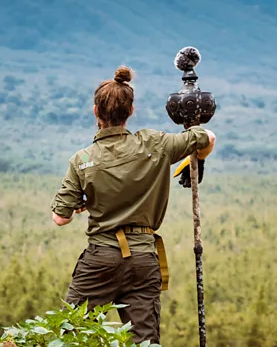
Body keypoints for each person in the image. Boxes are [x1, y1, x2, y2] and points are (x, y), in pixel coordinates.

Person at [51, 66, 216, 345]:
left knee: (71, 334)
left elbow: (60, 218)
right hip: (143, 259)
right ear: (131, 111)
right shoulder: (155, 143)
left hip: (101, 260)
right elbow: (207, 137)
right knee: (145, 341)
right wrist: (195, 160)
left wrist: (85, 201)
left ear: (96, 112)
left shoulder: (82, 160)